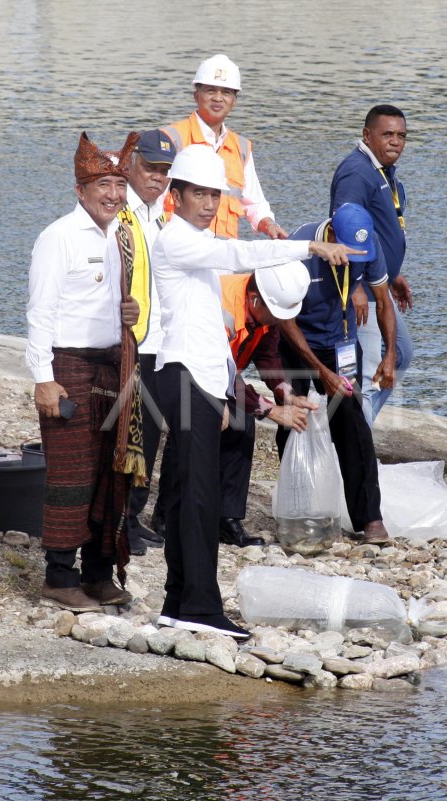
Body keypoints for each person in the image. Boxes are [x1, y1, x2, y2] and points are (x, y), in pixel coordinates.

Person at [151, 145, 358, 640]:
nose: (206, 202)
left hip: (199, 379)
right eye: (197, 193)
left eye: (213, 194)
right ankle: (198, 607)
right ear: (174, 195)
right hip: (179, 376)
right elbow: (239, 253)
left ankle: (177, 601)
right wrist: (309, 247)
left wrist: (225, 394)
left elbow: (212, 334)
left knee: (187, 495)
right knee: (195, 498)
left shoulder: (195, 244)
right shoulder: (177, 240)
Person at [26, 131, 142, 612]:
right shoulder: (58, 237)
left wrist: (131, 310)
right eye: (103, 185)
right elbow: (39, 312)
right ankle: (58, 575)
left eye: (119, 184)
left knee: (110, 471)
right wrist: (43, 377)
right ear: (81, 190)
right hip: (69, 365)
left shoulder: (121, 235)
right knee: (72, 473)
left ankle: (96, 573)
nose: (113, 194)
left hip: (113, 364)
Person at [276, 203, 397, 545]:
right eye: (346, 252)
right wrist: (320, 371)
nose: (352, 260)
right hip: (294, 340)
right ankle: (296, 510)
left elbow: (383, 300)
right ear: (330, 236)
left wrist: (389, 354)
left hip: (340, 342)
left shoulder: (366, 244)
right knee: (293, 418)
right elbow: (282, 319)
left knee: (352, 424)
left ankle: (370, 518)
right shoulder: (300, 248)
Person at [214, 271, 318, 547]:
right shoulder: (222, 304)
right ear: (254, 300)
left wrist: (287, 394)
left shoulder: (268, 309)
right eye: (275, 315)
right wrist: (270, 410)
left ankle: (227, 518)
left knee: (243, 426)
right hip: (192, 369)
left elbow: (267, 355)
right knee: (193, 427)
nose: (279, 321)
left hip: (224, 371)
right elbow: (220, 371)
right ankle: (166, 515)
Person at [329, 104, 413, 423]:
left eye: (401, 135)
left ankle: (356, 435)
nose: (396, 141)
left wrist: (392, 276)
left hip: (379, 283)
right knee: (364, 374)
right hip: (361, 290)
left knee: (401, 354)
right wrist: (355, 286)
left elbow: (376, 230)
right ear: (367, 135)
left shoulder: (382, 171)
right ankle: (355, 448)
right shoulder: (357, 172)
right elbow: (343, 228)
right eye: (387, 134)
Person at [118, 129, 175, 556]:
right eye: (152, 168)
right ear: (131, 165)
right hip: (127, 342)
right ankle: (118, 520)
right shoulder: (119, 213)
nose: (158, 177)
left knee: (149, 435)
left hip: (157, 341)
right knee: (124, 436)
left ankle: (133, 516)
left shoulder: (160, 216)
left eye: (165, 171)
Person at [160, 54, 287, 241]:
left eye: (226, 92)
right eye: (211, 91)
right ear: (197, 95)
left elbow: (254, 204)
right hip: (181, 255)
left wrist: (270, 225)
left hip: (225, 260)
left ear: (234, 101)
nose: (218, 98)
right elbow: (151, 204)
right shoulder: (170, 139)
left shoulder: (241, 147)